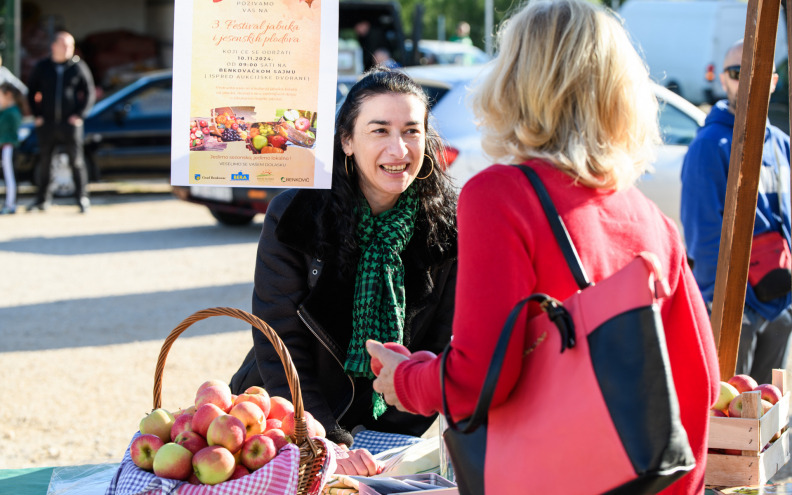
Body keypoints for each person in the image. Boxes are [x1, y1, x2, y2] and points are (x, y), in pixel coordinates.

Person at [367, 1, 720, 493]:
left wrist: (407, 380)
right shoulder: (652, 219)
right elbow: (702, 381)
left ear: (513, 81)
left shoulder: (501, 196)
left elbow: (477, 380)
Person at [229, 68, 458, 475]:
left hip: (388, 437)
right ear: (347, 141)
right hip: (287, 419)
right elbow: (280, 338)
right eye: (380, 130)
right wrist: (323, 438)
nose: (399, 149)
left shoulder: (447, 226)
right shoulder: (296, 213)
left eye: (411, 131)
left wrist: (387, 443)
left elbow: (438, 344)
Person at [681, 40, 792, 386]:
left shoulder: (780, 143)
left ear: (772, 80)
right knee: (731, 422)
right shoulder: (709, 146)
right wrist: (723, 306)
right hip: (735, 311)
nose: (745, 80)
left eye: (755, 72)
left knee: (768, 420)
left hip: (780, 304)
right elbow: (703, 235)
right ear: (724, 80)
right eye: (736, 72)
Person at [26, 31, 96, 213]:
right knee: (46, 161)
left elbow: (89, 93)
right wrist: (37, 115)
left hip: (70, 124)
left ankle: (82, 198)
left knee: (77, 161)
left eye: (70, 46)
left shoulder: (77, 67)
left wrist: (80, 115)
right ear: (54, 46)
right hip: (47, 123)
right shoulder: (43, 67)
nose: (68, 49)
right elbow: (31, 91)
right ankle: (43, 200)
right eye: (64, 45)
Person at [0, 83, 23, 214]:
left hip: (9, 148)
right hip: (5, 148)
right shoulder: (7, 111)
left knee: (10, 177)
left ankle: (10, 204)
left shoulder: (11, 112)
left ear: (8, 95)